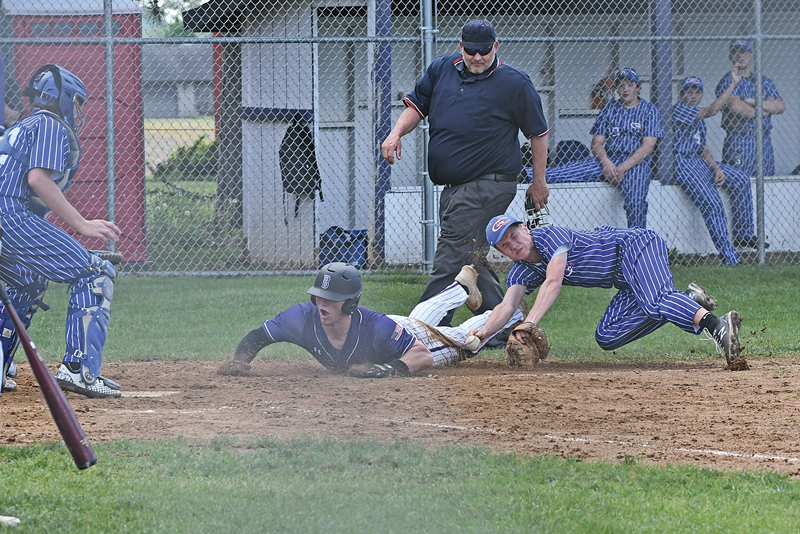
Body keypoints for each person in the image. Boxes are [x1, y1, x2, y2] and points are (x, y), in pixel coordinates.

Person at [381, 19, 549, 327]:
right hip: (453, 188)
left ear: (495, 47)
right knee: (471, 260)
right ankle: (508, 327)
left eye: (484, 51)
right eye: (471, 51)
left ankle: (419, 332)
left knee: (449, 260)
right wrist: (396, 134)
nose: (478, 58)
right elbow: (416, 107)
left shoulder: (514, 82)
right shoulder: (441, 69)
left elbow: (538, 133)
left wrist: (539, 182)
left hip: (489, 184)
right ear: (461, 47)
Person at [469, 215, 743, 365]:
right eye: (505, 245)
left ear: (526, 229)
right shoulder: (520, 270)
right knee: (607, 336)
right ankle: (688, 301)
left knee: (654, 300)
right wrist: (482, 333)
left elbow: (553, 283)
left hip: (634, 246)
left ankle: (717, 325)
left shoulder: (550, 237)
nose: (513, 244)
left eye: (514, 235)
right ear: (501, 253)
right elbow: (507, 306)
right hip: (623, 280)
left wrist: (529, 324)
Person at [0, 64, 122, 398]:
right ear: (61, 98)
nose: (79, 110)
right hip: (8, 214)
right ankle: (79, 371)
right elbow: (38, 179)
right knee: (96, 271)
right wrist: (81, 224)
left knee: (28, 278)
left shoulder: (21, 126)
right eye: (77, 102)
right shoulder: (50, 124)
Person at [217, 262, 525, 378]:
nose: (322, 303)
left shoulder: (376, 326)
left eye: (332, 299)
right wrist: (240, 360)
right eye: (319, 297)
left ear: (350, 303)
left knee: (463, 341)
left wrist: (390, 369)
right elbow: (258, 336)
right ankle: (460, 287)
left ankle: (514, 313)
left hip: (398, 337)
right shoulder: (301, 318)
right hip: (395, 328)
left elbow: (421, 356)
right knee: (416, 320)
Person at [545, 68, 665, 229]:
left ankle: (637, 246)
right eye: (621, 85)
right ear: (616, 89)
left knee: (635, 202)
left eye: (630, 85)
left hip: (636, 164)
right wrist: (606, 162)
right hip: (609, 159)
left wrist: (623, 167)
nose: (625, 89)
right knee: (567, 171)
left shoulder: (649, 110)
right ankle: (525, 173)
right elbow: (596, 143)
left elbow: (648, 146)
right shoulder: (610, 108)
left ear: (638, 87)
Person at [673, 74, 759, 263]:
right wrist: (733, 85)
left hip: (699, 161)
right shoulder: (680, 110)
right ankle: (729, 258)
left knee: (741, 178)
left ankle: (744, 234)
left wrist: (716, 168)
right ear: (681, 95)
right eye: (689, 92)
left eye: (697, 92)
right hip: (683, 162)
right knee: (713, 204)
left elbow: (702, 148)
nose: (693, 96)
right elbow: (712, 110)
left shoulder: (699, 119)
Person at [716, 39, 785, 178]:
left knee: (766, 182)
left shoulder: (763, 81)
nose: (739, 56)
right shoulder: (728, 82)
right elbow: (736, 106)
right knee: (739, 182)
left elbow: (780, 106)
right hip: (739, 140)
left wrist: (750, 101)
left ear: (751, 55)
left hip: (763, 141)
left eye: (743, 52)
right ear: (730, 57)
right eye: (735, 52)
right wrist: (765, 109)